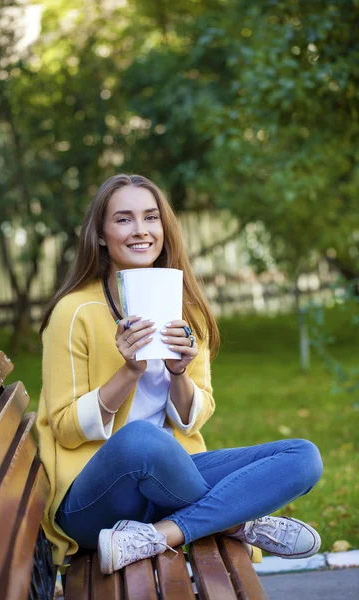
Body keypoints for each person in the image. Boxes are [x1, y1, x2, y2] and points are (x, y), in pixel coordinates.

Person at [37, 173, 323, 575]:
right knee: (141, 440)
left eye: (151, 218)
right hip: (90, 498)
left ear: (164, 228)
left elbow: (196, 414)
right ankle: (237, 520)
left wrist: (179, 374)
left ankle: (163, 534)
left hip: (167, 484)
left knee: (303, 457)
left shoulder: (185, 309)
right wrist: (129, 372)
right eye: (123, 219)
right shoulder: (74, 313)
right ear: (100, 235)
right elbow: (66, 428)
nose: (141, 230)